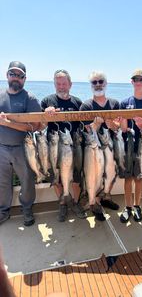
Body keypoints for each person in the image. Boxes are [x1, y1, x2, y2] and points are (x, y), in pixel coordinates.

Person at [41, 70, 87, 222]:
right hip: (54, 147)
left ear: (70, 84)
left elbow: (84, 125)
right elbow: (39, 127)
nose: (61, 86)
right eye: (58, 84)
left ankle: (75, 202)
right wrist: (45, 116)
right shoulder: (47, 101)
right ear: (55, 85)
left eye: (64, 83)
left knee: (75, 178)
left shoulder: (78, 102)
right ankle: (62, 203)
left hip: (74, 148)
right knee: (56, 177)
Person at [0, 61, 42, 226]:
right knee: (2, 182)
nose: (16, 78)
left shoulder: (29, 98)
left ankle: (27, 209)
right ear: (7, 76)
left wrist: (7, 123)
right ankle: (3, 211)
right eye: (13, 74)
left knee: (27, 181)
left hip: (23, 148)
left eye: (20, 75)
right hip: (1, 148)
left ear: (25, 79)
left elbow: (36, 126)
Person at [80, 71, 120, 221]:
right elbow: (85, 131)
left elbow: (119, 127)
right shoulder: (86, 105)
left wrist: (113, 125)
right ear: (91, 86)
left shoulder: (115, 104)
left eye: (100, 81)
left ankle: (106, 197)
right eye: (94, 82)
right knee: (95, 174)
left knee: (111, 172)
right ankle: (94, 202)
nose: (98, 84)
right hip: (93, 149)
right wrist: (95, 126)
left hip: (111, 146)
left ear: (106, 83)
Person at [119, 69, 142, 223]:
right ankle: (127, 207)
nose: (138, 82)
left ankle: (137, 206)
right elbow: (122, 128)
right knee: (128, 179)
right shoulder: (124, 102)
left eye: (141, 79)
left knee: (139, 179)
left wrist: (141, 125)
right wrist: (123, 124)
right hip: (127, 147)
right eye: (136, 79)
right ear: (132, 82)